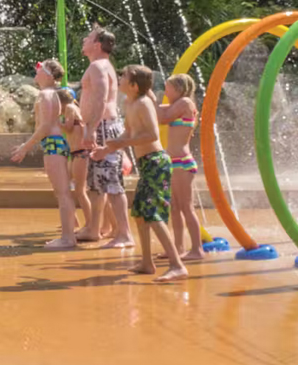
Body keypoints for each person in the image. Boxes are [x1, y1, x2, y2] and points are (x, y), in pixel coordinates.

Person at [92, 65, 187, 282]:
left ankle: (177, 265)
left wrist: (123, 142)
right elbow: (128, 132)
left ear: (134, 86)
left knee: (152, 214)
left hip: (156, 161)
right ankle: (146, 262)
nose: (120, 78)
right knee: (139, 214)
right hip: (146, 163)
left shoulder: (144, 103)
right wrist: (107, 149)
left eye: (124, 76)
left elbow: (153, 134)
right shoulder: (129, 102)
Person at [11, 59, 77, 249]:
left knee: (63, 193)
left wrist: (26, 146)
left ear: (48, 75)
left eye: (39, 70)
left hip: (52, 143)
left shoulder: (46, 94)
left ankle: (68, 238)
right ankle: (69, 233)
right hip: (54, 144)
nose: (36, 72)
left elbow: (46, 126)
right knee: (62, 192)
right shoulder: (49, 94)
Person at [77, 26, 133, 248]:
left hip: (101, 127)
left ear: (97, 45)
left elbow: (100, 100)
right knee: (98, 184)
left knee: (111, 183)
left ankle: (125, 234)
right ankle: (94, 228)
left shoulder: (98, 66)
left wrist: (90, 129)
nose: (84, 39)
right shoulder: (101, 65)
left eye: (88, 37)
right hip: (101, 126)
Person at [156, 73, 204, 261]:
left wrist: (150, 99)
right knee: (175, 207)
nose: (165, 92)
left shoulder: (184, 103)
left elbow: (163, 117)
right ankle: (177, 247)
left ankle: (197, 249)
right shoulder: (179, 104)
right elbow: (160, 112)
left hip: (182, 162)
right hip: (174, 162)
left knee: (186, 206)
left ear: (178, 89)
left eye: (168, 88)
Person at [56, 88, 92, 233]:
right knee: (62, 187)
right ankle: (74, 220)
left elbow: (69, 128)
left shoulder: (71, 107)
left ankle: (91, 224)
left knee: (80, 191)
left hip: (81, 153)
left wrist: (56, 121)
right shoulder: (71, 108)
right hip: (75, 153)